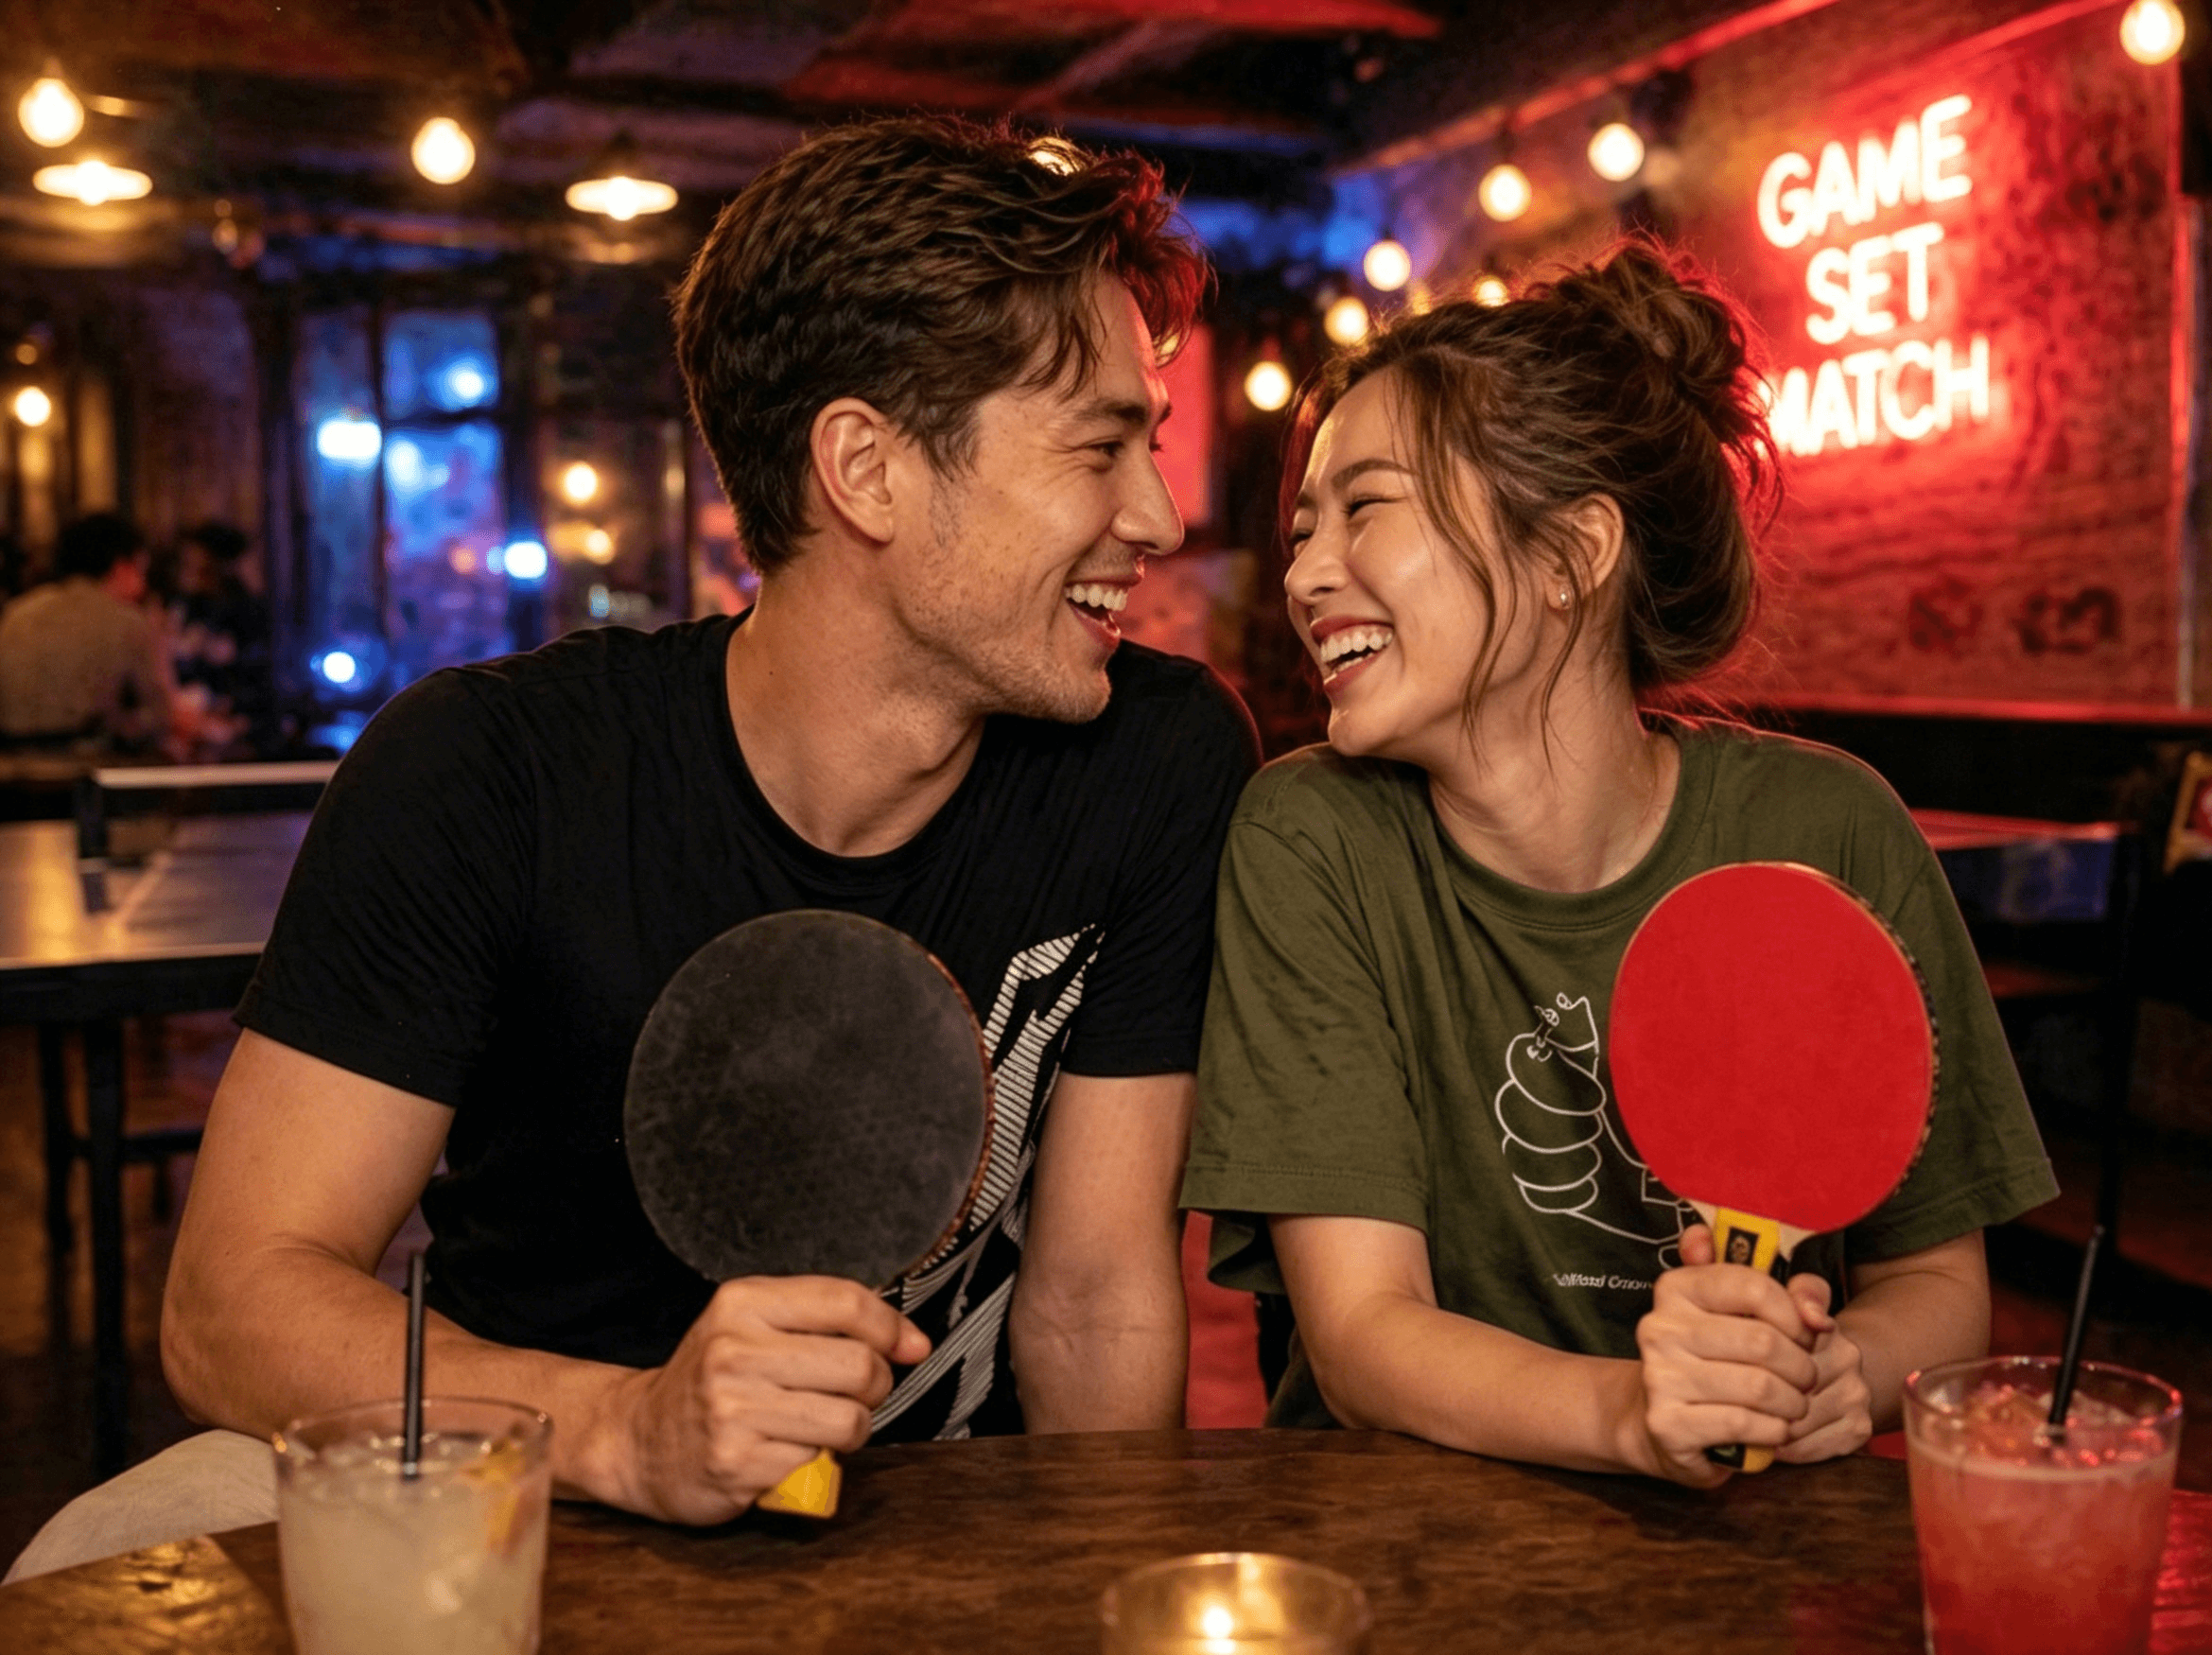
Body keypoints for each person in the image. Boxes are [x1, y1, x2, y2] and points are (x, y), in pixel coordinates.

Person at [10, 116, 1254, 1578]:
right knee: (91, 1549)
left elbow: (1095, 1292)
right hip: (536, 1509)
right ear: (864, 469)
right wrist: (627, 1430)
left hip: (933, 1534)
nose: (1159, 516)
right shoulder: (487, 772)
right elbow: (231, 1299)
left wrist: (1099, 1590)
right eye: (1101, 447)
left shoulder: (1156, 755)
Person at [1182, 240, 2055, 1488]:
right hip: (1401, 1551)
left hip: (1748, 1568)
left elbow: (1930, 1285)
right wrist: (1635, 1414)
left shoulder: (1829, 832)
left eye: (1365, 506)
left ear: (1571, 555)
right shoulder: (1311, 838)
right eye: (1303, 526)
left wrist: (1823, 1381)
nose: (1305, 573)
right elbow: (1360, 1334)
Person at [0, 512, 185, 752]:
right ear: (121, 567)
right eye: (142, 570)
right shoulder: (127, 621)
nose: (144, 584)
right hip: (88, 772)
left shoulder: (16, 613)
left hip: (11, 770)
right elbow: (163, 714)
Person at [166, 519, 274, 742]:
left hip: (233, 723)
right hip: (188, 718)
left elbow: (254, 676)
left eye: (197, 565)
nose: (187, 572)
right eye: (184, 564)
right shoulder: (182, 605)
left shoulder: (246, 612)